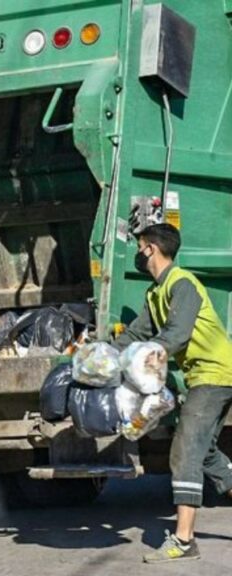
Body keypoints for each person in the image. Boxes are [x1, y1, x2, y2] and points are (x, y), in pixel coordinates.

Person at [113, 223, 232, 563]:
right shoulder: (156, 292)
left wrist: (149, 355)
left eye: (139, 247)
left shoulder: (183, 284)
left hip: (216, 372)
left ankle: (183, 541)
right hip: (202, 376)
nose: (137, 253)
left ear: (150, 248)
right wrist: (103, 354)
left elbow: (176, 334)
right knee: (206, 452)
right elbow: (138, 332)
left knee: (185, 447)